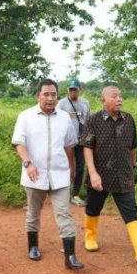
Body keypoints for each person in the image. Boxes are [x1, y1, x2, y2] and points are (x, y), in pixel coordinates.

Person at [80, 85, 137, 267]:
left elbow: (133, 145)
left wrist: (133, 166)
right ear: (103, 100)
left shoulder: (128, 119)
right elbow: (87, 148)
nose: (119, 99)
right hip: (100, 175)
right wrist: (92, 173)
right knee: (93, 207)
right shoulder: (93, 121)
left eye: (120, 96)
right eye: (114, 96)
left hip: (123, 174)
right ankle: (90, 237)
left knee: (131, 210)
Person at [11, 78, 84, 270]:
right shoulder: (26, 116)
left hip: (60, 174)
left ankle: (70, 257)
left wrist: (72, 168)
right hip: (34, 174)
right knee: (33, 213)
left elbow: (69, 145)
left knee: (64, 213)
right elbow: (19, 143)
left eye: (53, 94)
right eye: (46, 94)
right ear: (38, 96)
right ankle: (33, 246)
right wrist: (28, 163)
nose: (50, 98)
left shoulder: (64, 117)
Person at [57, 78, 91, 207]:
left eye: (75, 90)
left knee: (80, 167)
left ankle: (75, 194)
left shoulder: (85, 104)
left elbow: (88, 121)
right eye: (70, 90)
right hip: (66, 142)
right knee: (66, 167)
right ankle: (63, 192)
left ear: (79, 90)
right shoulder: (61, 104)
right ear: (67, 90)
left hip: (81, 141)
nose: (72, 92)